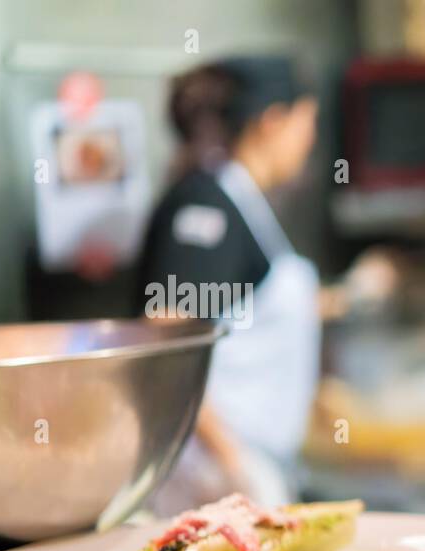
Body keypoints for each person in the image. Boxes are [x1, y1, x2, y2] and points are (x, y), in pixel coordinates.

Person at [134, 57, 320, 511]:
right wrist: (234, 463)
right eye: (307, 121)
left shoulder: (243, 201)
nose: (311, 140)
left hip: (244, 463)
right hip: (208, 476)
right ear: (274, 122)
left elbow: (247, 313)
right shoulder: (208, 205)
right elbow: (168, 333)